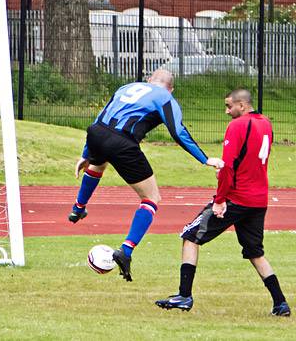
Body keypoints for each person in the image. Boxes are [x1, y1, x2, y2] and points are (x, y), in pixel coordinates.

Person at [68, 68, 223, 282]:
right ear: (172, 89)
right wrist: (205, 159)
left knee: (97, 165)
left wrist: (86, 153)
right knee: (151, 198)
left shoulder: (126, 87)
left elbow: (100, 118)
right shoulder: (165, 98)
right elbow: (178, 131)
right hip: (122, 142)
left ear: (149, 80)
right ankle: (126, 251)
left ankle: (78, 208)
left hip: (96, 133)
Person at [155, 89, 290, 316]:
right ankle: (280, 303)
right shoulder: (265, 123)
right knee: (255, 252)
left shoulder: (237, 126)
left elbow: (228, 166)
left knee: (189, 236)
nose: (227, 112)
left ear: (242, 105)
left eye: (230, 106)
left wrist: (220, 200)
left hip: (237, 197)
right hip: (258, 199)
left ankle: (184, 296)